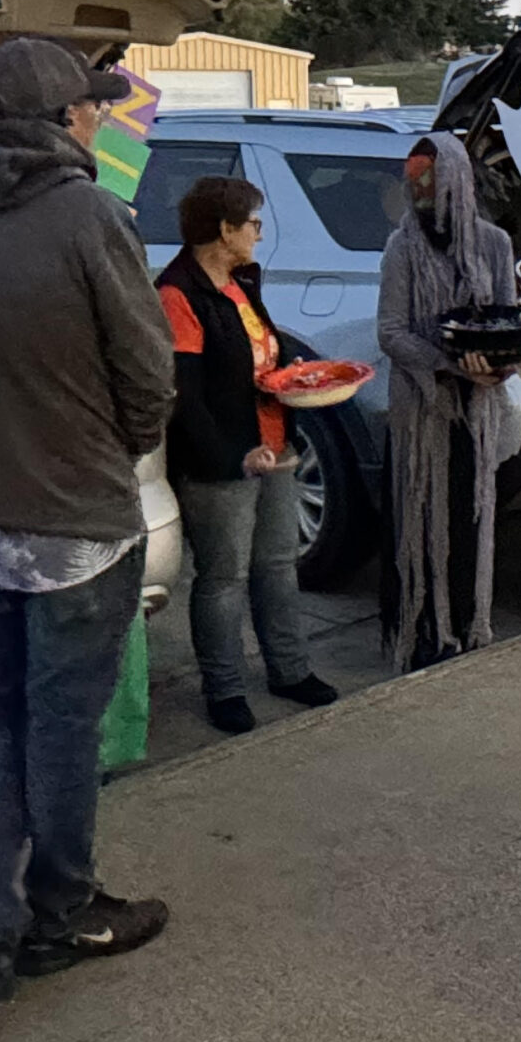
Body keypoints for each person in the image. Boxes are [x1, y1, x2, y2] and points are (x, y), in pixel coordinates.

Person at [0, 37, 176, 1010]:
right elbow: (148, 376)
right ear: (63, 121)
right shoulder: (88, 216)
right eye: (92, 107)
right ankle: (62, 914)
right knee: (61, 732)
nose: (100, 119)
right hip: (77, 529)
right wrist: (113, 453)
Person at [155, 175, 338, 735]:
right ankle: (225, 688)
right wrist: (233, 454)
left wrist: (290, 382)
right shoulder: (178, 294)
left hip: (274, 445)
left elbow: (257, 360)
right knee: (223, 577)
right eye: (253, 223)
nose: (259, 233)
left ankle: (290, 669)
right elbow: (185, 396)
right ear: (224, 229)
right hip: (221, 463)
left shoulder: (239, 282)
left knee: (277, 566)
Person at [377, 136, 521, 669]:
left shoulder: (494, 245)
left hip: (476, 409)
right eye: (413, 181)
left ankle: (465, 624)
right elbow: (391, 331)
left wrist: (501, 364)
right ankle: (423, 632)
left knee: (470, 515)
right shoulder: (402, 248)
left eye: (430, 180)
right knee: (419, 518)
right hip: (422, 408)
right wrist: (449, 364)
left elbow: (508, 318)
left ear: (457, 180)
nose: (421, 191)